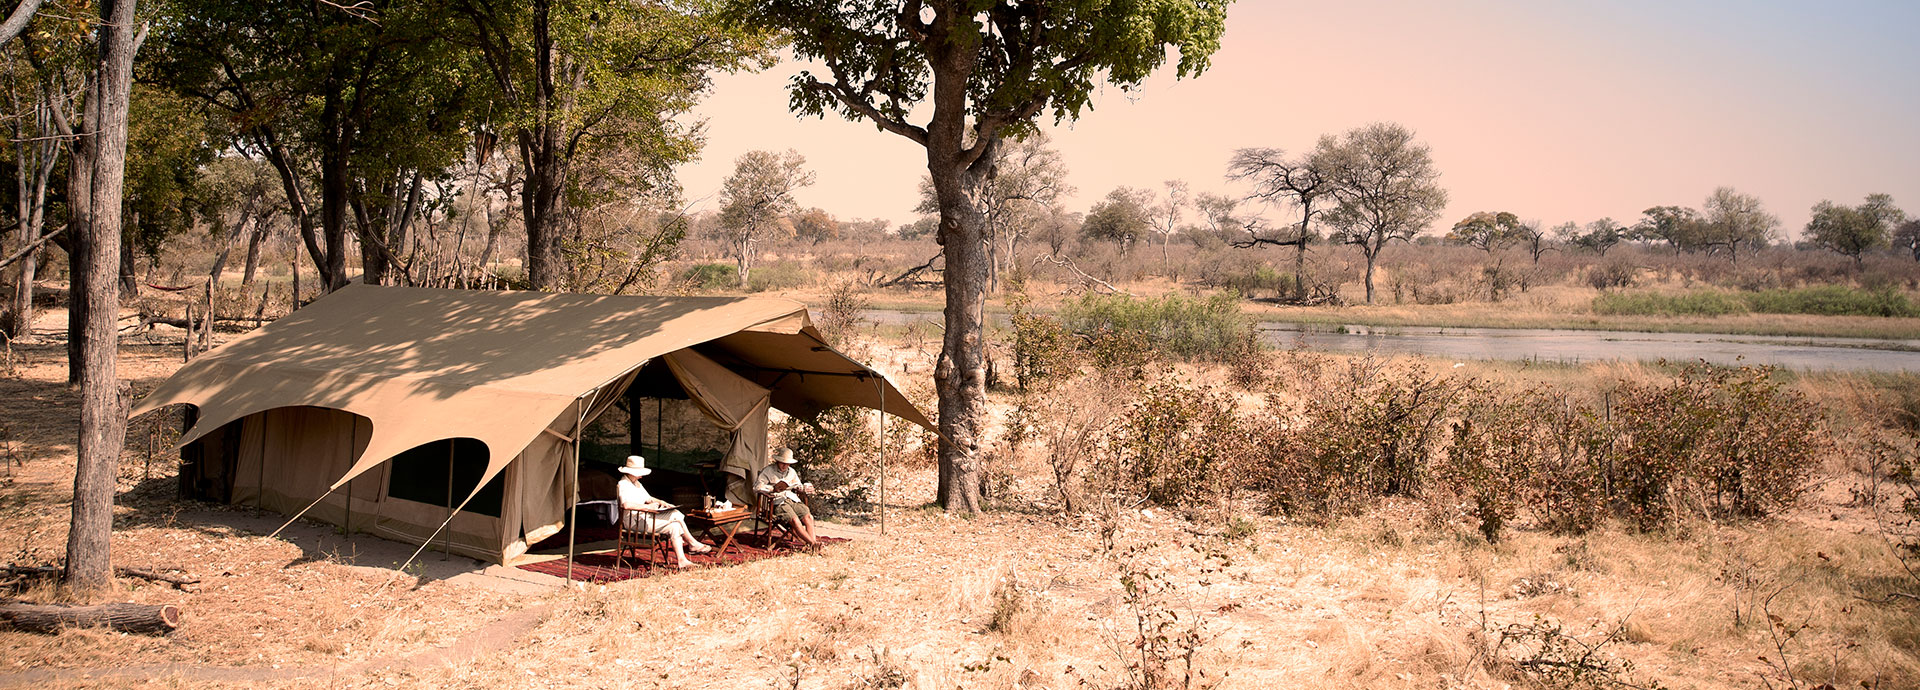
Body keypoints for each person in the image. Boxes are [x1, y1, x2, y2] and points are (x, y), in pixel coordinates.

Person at [616, 456, 711, 568]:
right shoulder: (623, 484)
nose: (641, 475)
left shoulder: (636, 483)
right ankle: (693, 543)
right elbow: (626, 505)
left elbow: (648, 498)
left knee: (675, 526)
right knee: (675, 514)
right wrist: (647, 508)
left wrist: (662, 502)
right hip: (634, 522)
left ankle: (682, 560)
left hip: (643, 518)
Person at [754, 447, 819, 546]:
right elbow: (757, 487)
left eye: (787, 463)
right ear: (777, 461)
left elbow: (798, 485)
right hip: (777, 501)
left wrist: (805, 489)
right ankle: (813, 544)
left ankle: (812, 544)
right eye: (782, 463)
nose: (785, 466)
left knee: (808, 517)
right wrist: (772, 489)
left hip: (792, 499)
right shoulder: (768, 471)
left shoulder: (791, 472)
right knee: (794, 520)